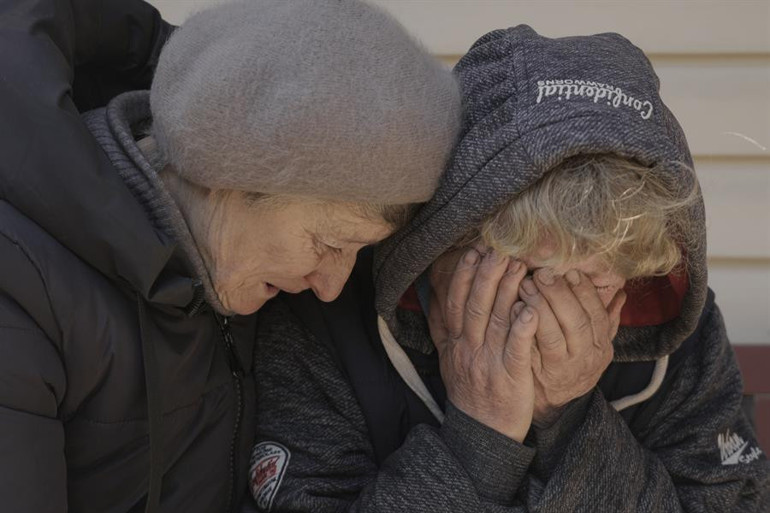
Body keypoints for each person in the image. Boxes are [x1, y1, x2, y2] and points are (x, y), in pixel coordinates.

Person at [249, 25, 770, 512]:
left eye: (597, 277)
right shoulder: (326, 314)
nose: (559, 313)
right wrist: (481, 434)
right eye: (534, 274)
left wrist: (568, 419)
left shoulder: (673, 335)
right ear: (443, 240)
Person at [0, 0, 461, 511]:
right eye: (329, 244)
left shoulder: (228, 260)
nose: (331, 286)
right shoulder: (19, 288)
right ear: (228, 175)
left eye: (359, 252)